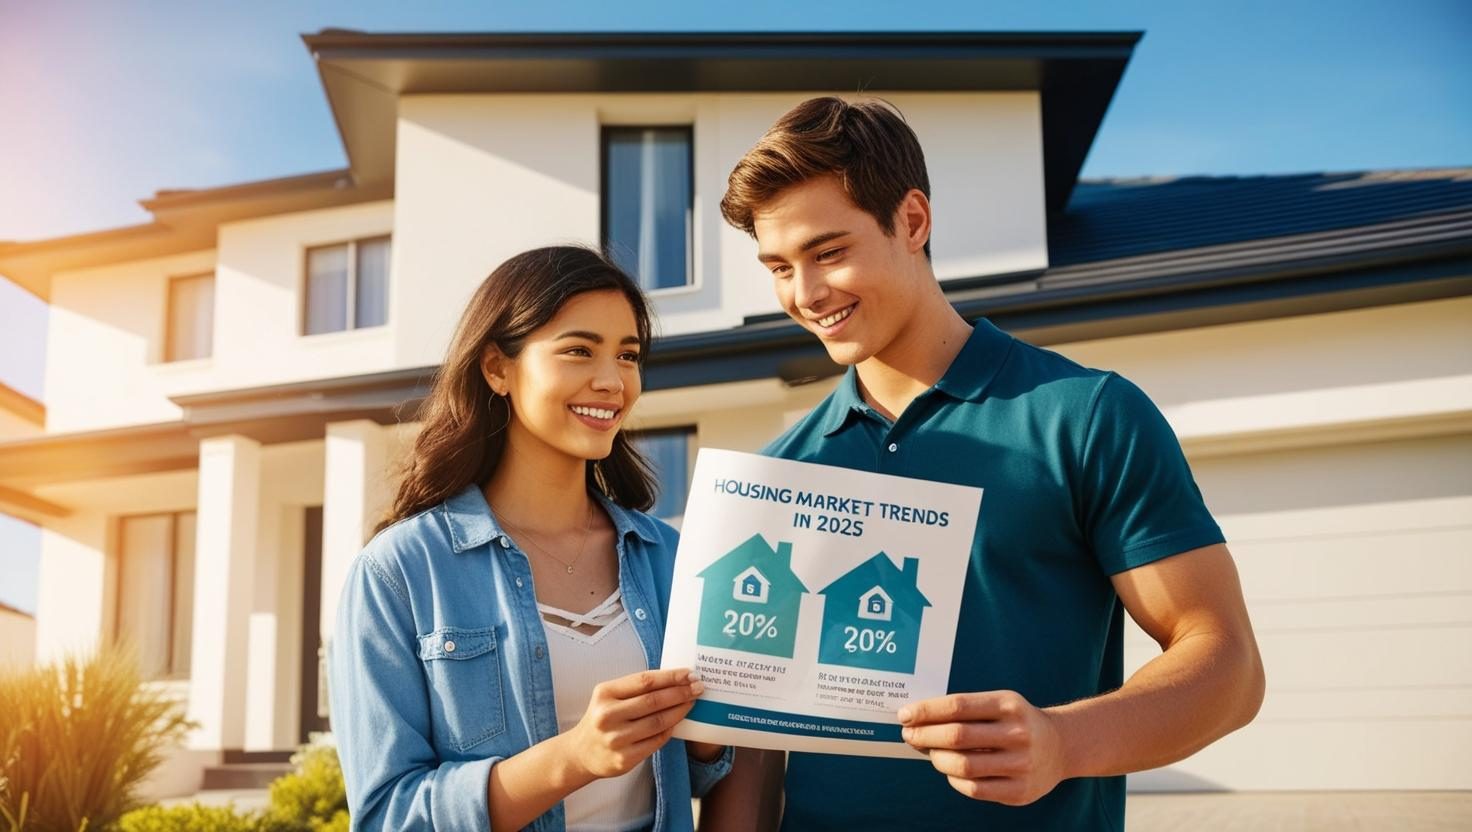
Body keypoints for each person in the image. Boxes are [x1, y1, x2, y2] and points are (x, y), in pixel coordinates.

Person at [699, 97, 1265, 831]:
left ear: (912, 221)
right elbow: (754, 749)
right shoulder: (779, 475)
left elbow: (1228, 667)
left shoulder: (1086, 416)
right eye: (780, 266)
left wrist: (1064, 742)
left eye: (829, 253)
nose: (805, 295)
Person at [331, 246, 731, 831]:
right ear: (497, 367)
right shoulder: (399, 571)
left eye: (628, 355)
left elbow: (701, 775)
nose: (611, 380)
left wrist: (704, 739)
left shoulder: (668, 557)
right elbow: (389, 815)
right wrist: (572, 758)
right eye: (578, 350)